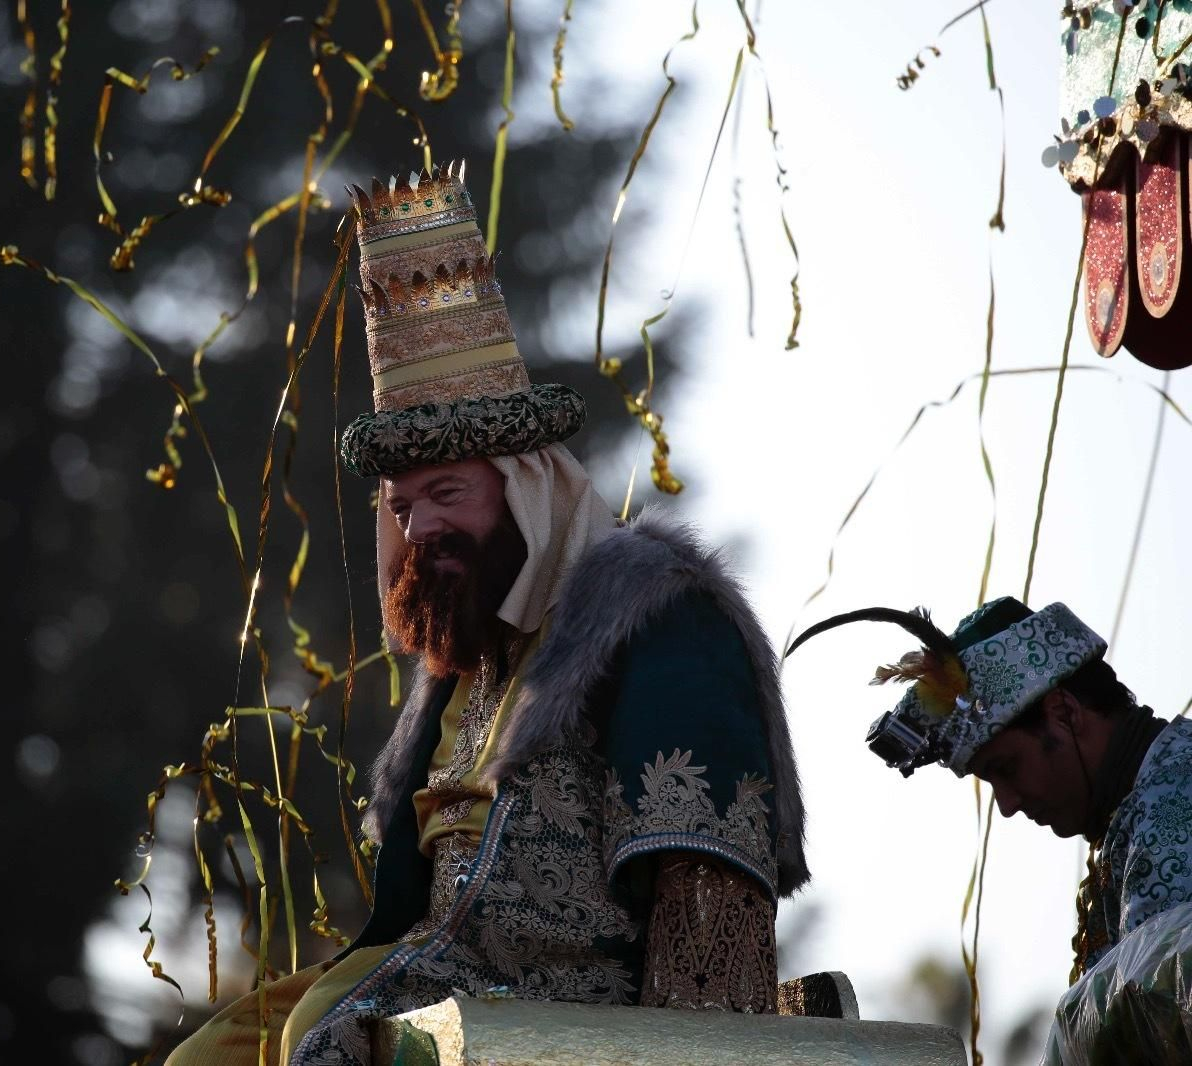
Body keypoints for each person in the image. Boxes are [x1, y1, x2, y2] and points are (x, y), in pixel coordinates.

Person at [167, 162, 807, 1066]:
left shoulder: (659, 615)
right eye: (400, 509)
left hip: (563, 1020)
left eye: (448, 493)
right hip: (433, 986)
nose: (421, 528)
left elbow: (707, 887)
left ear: (528, 490)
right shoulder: (465, 662)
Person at [788, 596, 1192, 1061]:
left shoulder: (1175, 797)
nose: (1008, 803)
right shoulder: (1141, 809)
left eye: (1006, 767)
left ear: (1064, 713)